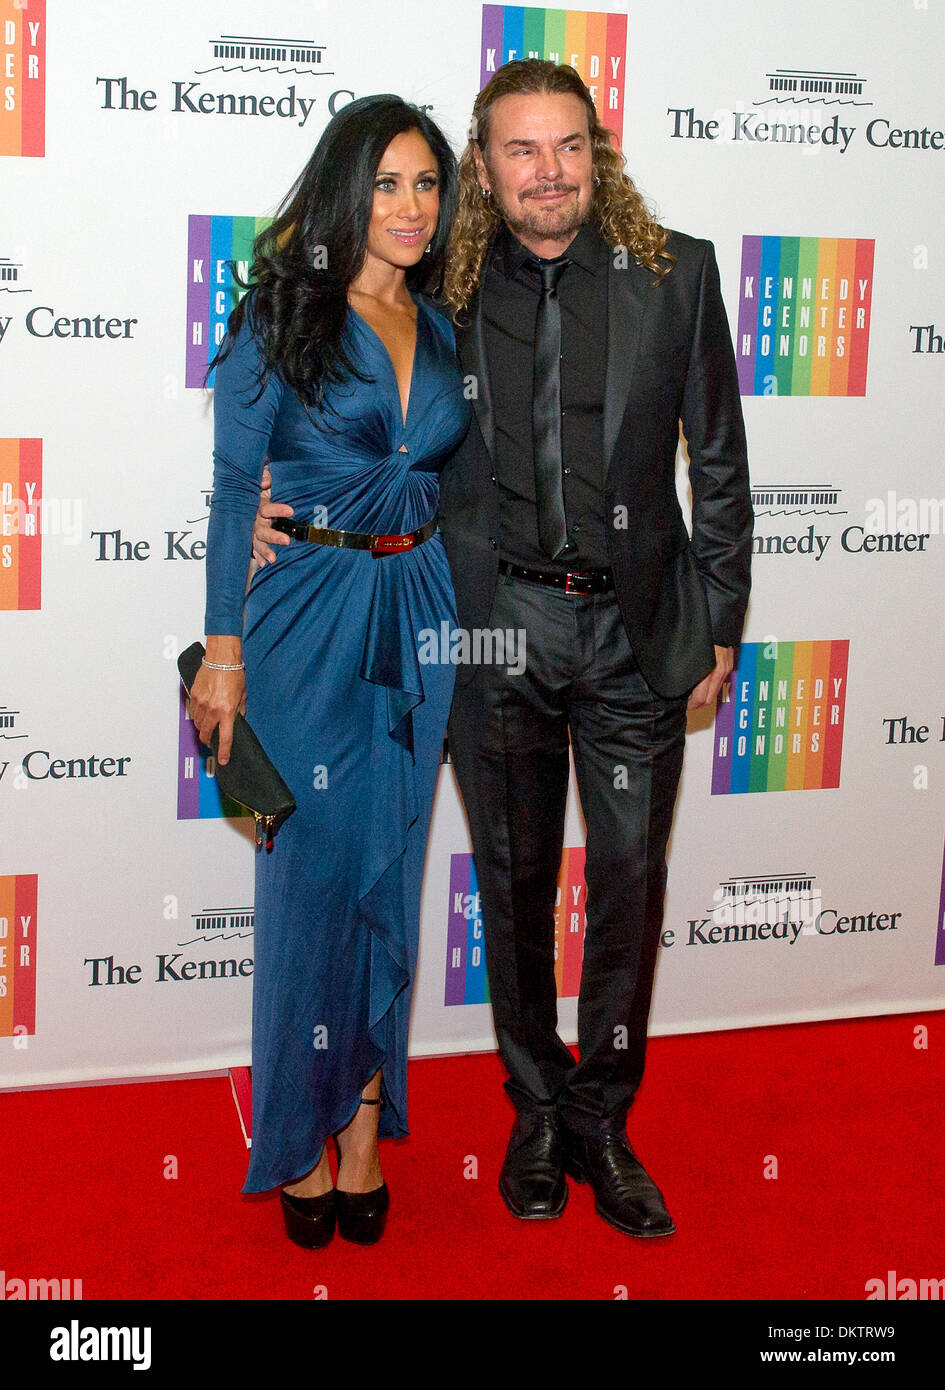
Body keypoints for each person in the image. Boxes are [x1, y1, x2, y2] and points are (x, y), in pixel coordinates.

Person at [254, 60, 752, 1240]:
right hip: (489, 632)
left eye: (568, 147)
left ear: (600, 150)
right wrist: (274, 492)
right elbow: (341, 383)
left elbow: (721, 468)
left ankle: (604, 1122)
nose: (548, 174)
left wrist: (718, 625)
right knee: (515, 886)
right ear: (485, 168)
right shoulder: (447, 288)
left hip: (637, 641)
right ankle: (534, 1111)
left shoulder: (676, 274)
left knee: (628, 890)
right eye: (520, 152)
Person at [190, 94, 469, 1250]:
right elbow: (227, 493)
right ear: (347, 189)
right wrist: (222, 651)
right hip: (304, 622)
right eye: (389, 183)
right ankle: (298, 1143)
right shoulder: (283, 319)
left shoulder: (443, 323)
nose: (411, 208)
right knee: (308, 895)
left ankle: (363, 1129)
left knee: (389, 882)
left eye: (428, 185)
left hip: (420, 616)